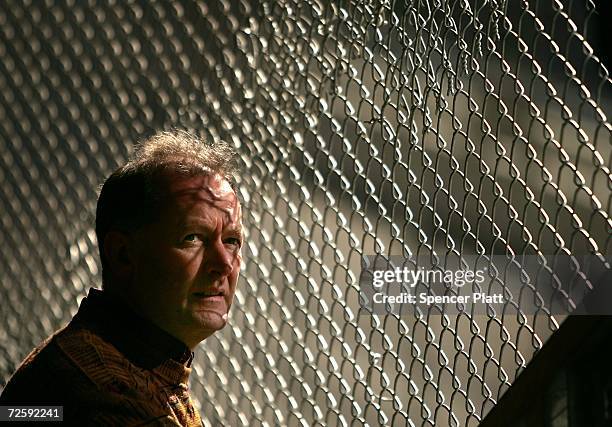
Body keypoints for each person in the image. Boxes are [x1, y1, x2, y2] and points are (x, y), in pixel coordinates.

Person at [0, 130, 243, 426]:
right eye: (192, 238)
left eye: (231, 241)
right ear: (123, 255)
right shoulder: (109, 398)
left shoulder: (117, 355)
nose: (223, 264)